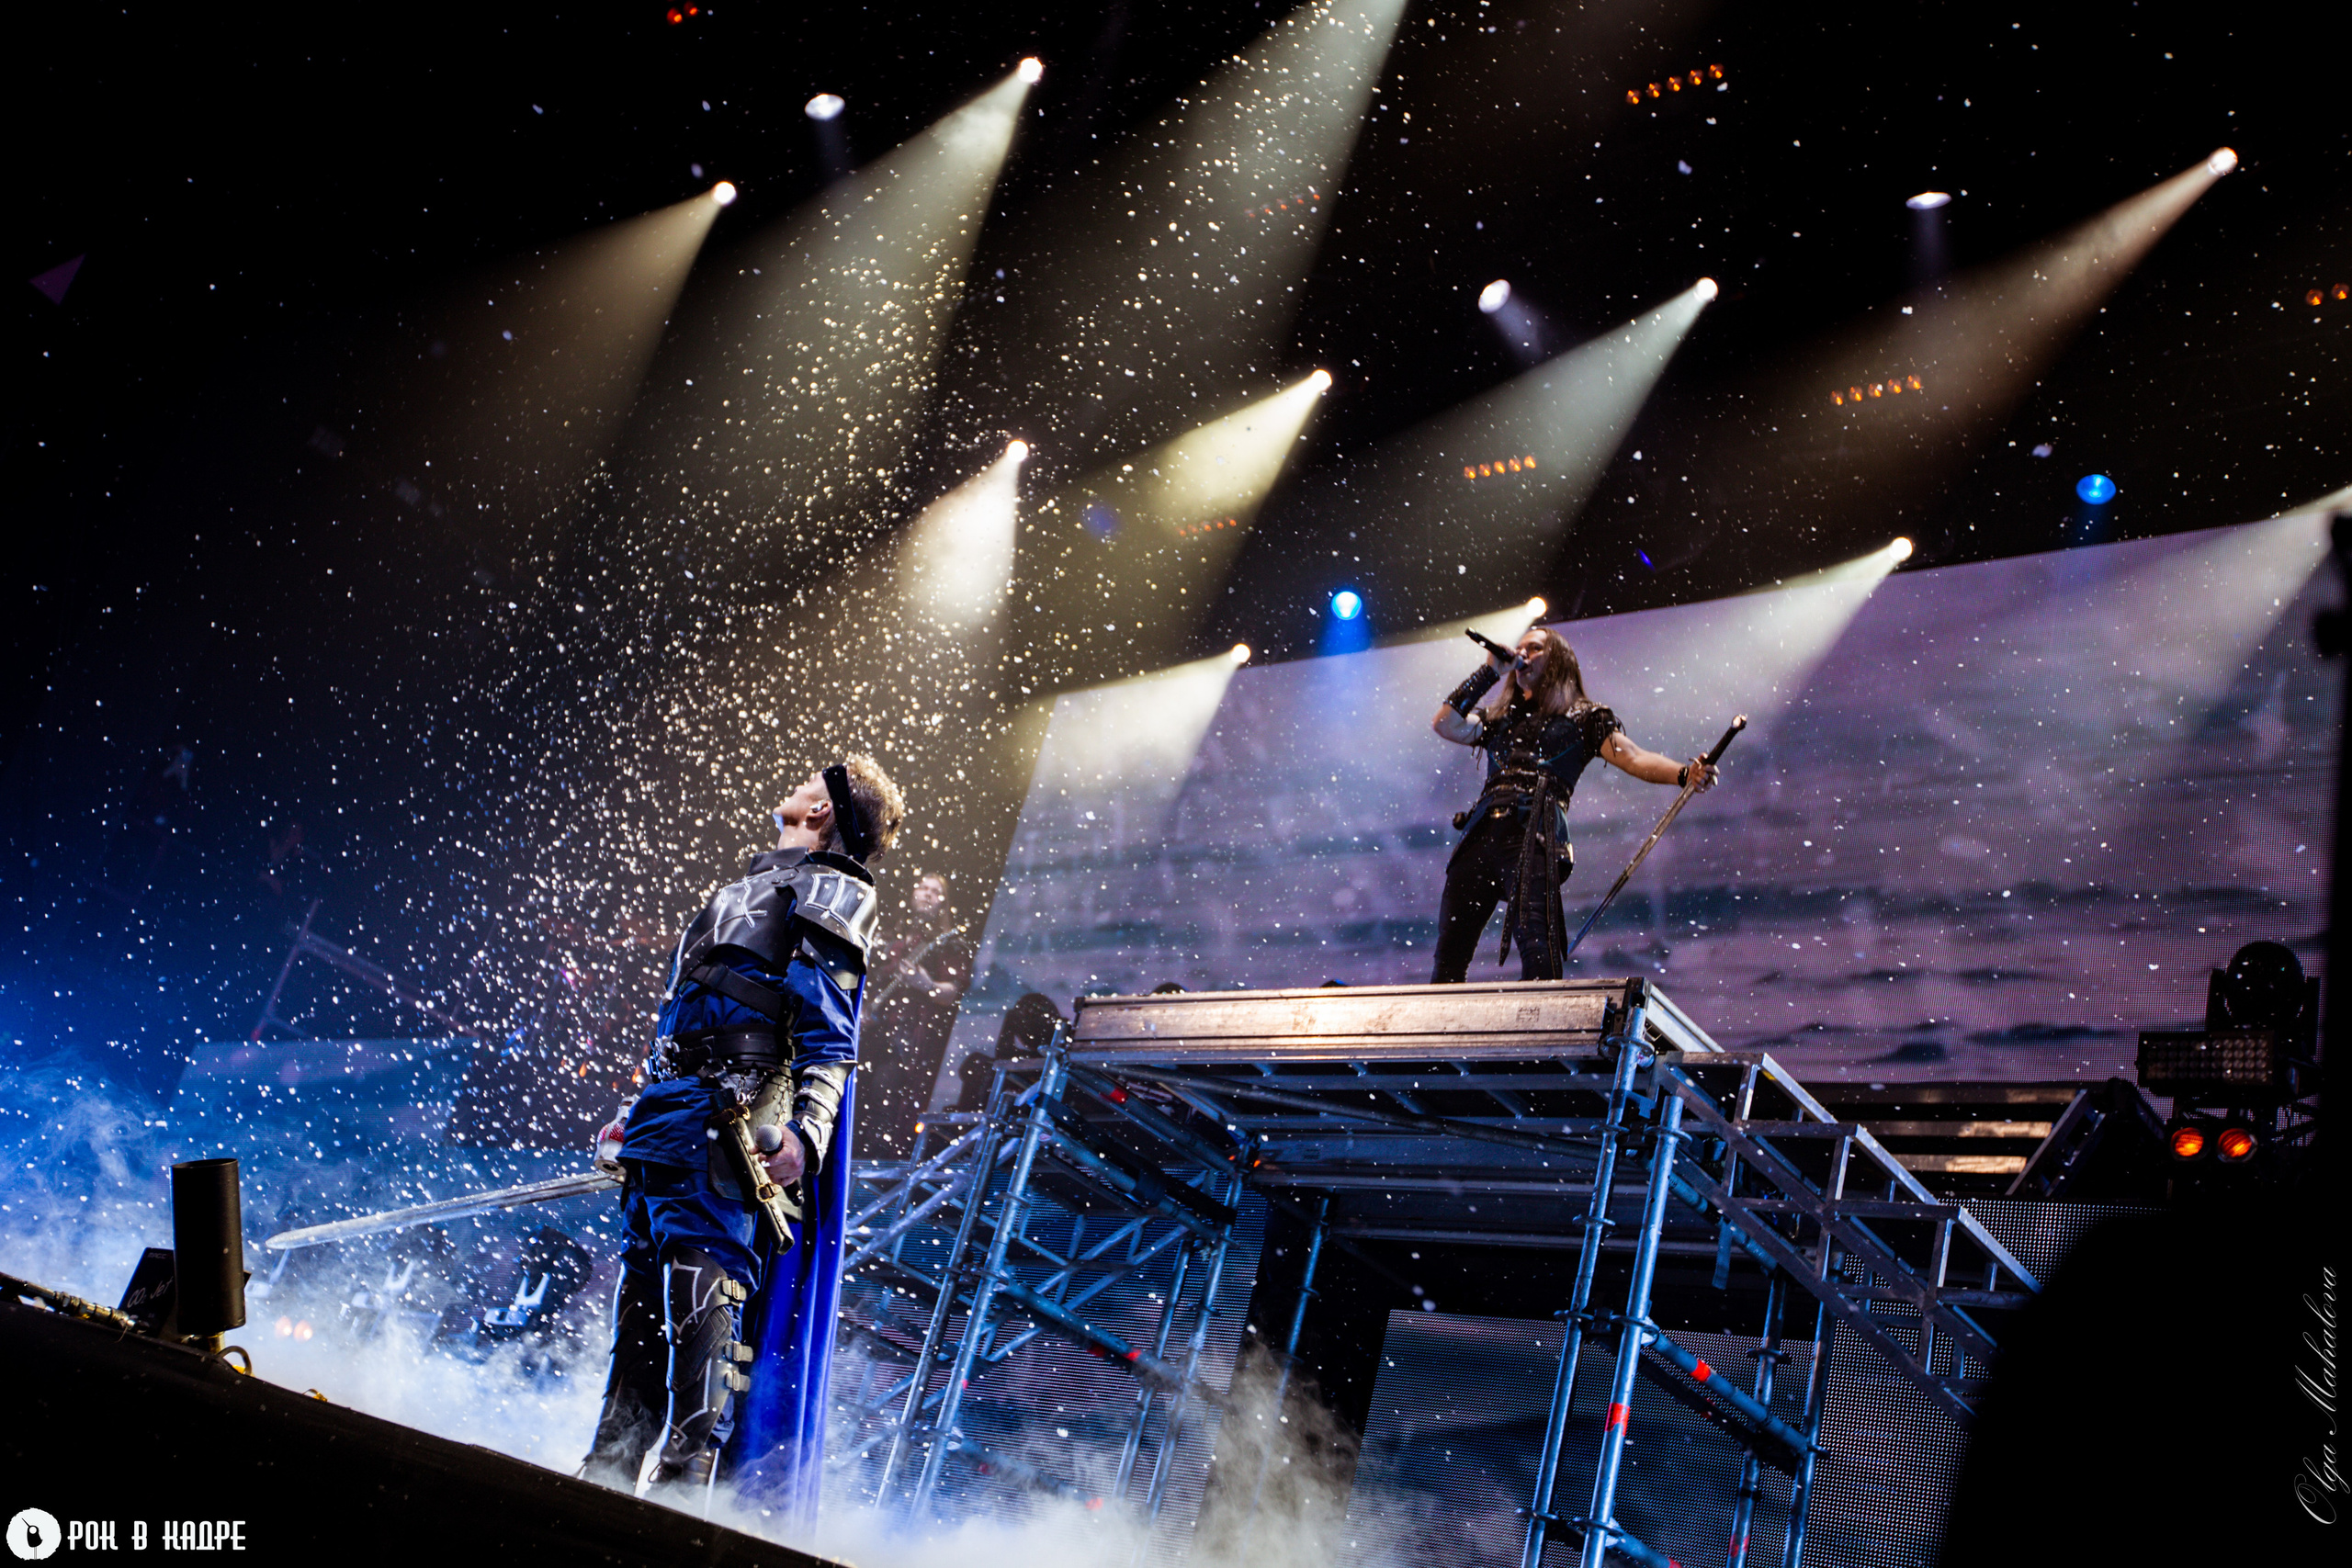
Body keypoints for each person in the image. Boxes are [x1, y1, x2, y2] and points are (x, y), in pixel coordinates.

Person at [581, 753, 904, 1517]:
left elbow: (830, 1035)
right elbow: (682, 1017)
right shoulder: (744, 887)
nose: (796, 782)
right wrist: (637, 1106)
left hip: (729, 1125)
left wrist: (809, 1132)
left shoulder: (836, 886)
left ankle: (679, 1499)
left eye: (812, 782)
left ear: (824, 812)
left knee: (705, 1297)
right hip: (669, 1117)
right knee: (641, 1315)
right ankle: (601, 1486)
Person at [1428, 626, 1713, 984]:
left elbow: (1634, 757)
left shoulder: (1584, 717)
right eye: (1520, 648)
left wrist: (1684, 774)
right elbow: (1445, 724)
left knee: (1537, 943)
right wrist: (1489, 672)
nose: (1522, 654)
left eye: (1534, 648)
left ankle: (1540, 1016)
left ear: (1558, 659)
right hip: (1480, 835)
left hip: (1531, 832)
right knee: (1449, 953)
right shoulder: (1500, 718)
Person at [854, 870, 967, 1156]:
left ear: (944, 903)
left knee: (884, 1100)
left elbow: (953, 992)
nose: (928, 894)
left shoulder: (947, 942)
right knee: (857, 1096)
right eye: (923, 888)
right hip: (871, 1032)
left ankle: (877, 1160)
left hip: (907, 1038)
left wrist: (926, 984)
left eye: (936, 891)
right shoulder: (890, 934)